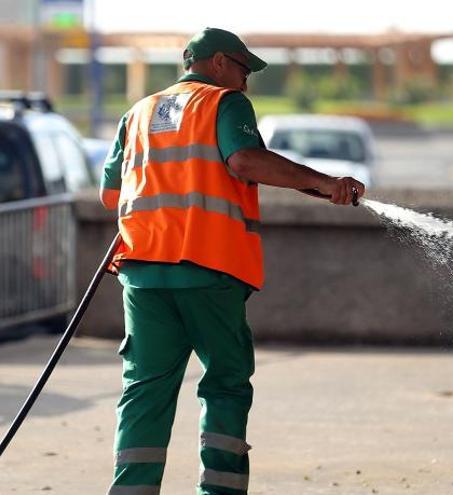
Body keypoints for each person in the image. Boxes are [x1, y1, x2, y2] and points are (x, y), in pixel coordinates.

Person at [98, 27, 365, 495]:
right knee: (225, 382)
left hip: (142, 273)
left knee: (145, 389)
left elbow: (110, 195)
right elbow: (245, 161)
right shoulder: (223, 103)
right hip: (207, 267)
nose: (246, 82)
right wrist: (325, 184)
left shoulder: (137, 113)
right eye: (244, 69)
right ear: (219, 62)